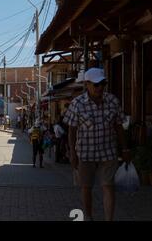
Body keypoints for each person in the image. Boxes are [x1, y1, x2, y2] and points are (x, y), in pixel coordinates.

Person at [63, 68, 130, 221]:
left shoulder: (113, 101)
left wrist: (125, 148)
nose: (100, 87)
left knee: (108, 186)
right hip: (85, 154)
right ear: (87, 84)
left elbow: (119, 126)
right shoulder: (77, 104)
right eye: (96, 84)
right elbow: (71, 130)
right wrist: (72, 154)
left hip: (108, 152)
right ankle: (88, 217)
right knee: (86, 187)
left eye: (103, 84)